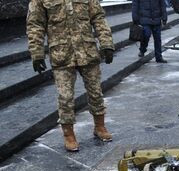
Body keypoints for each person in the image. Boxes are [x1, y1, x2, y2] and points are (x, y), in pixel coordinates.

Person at [26, 0, 114, 152]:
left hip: (87, 51)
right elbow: (35, 24)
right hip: (62, 55)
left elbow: (98, 17)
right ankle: (69, 134)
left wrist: (106, 43)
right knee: (65, 97)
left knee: (96, 92)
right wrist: (37, 53)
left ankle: (100, 126)